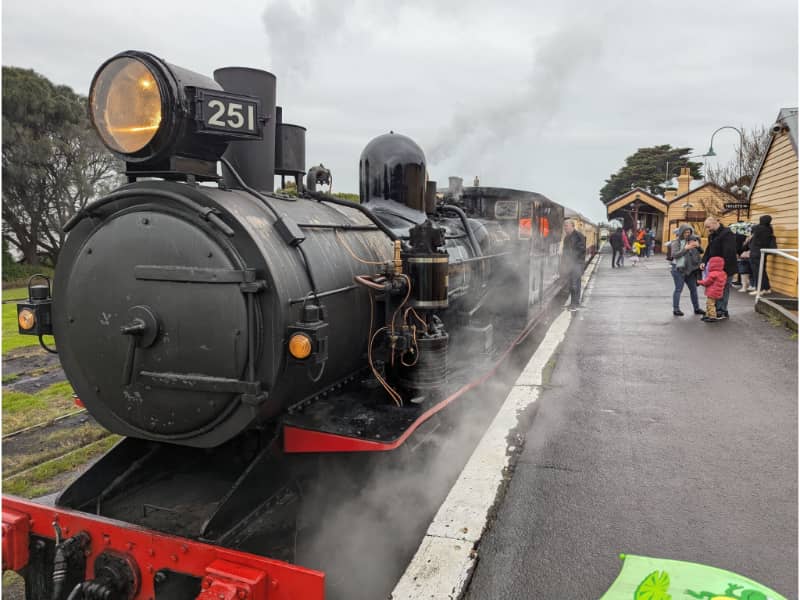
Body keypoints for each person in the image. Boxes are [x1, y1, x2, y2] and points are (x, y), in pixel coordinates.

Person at [701, 216, 738, 319]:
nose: (708, 229)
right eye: (706, 228)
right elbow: (709, 249)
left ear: (715, 223)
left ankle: (721, 311)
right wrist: (704, 261)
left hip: (726, 268)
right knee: (715, 289)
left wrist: (723, 269)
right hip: (715, 268)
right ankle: (714, 311)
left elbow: (729, 252)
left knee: (723, 289)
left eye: (708, 227)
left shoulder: (727, 234)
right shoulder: (712, 235)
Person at [669, 224, 704, 317]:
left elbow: (700, 252)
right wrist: (686, 248)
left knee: (694, 289)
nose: (687, 234)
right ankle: (676, 309)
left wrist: (698, 246)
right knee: (678, 289)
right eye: (685, 232)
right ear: (681, 232)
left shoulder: (692, 241)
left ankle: (697, 308)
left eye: (689, 232)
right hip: (678, 269)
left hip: (690, 270)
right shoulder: (676, 242)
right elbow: (675, 255)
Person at [746, 215, 775, 295]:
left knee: (757, 271)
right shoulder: (769, 229)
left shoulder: (758, 228)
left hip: (755, 252)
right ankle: (766, 288)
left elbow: (751, 230)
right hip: (763, 252)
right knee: (762, 270)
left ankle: (759, 289)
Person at [561, 219, 586, 311]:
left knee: (575, 284)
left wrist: (571, 258)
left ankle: (575, 304)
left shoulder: (579, 236)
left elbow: (581, 250)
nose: (565, 228)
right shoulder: (566, 238)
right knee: (571, 284)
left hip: (577, 264)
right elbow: (564, 251)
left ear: (572, 226)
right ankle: (573, 303)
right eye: (564, 226)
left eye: (566, 226)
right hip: (570, 264)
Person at [697, 257, 728, 323]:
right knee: (710, 303)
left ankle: (712, 316)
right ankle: (708, 315)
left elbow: (706, 282)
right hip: (718, 292)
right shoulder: (723, 273)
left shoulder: (713, 274)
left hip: (712, 292)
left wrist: (699, 282)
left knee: (710, 304)